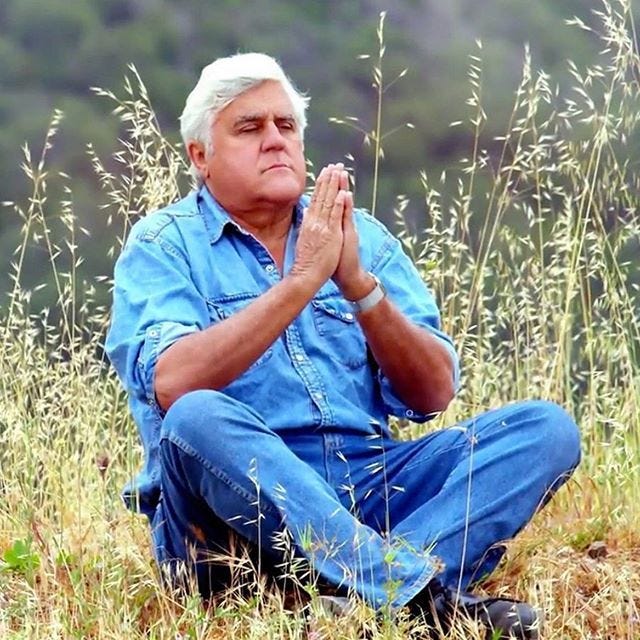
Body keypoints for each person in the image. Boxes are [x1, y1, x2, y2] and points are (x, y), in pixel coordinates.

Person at [106, 52, 580, 639]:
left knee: (544, 430)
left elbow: (433, 392)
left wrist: (357, 285)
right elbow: (174, 383)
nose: (275, 141)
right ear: (200, 157)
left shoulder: (363, 238)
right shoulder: (163, 244)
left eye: (287, 126)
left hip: (372, 484)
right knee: (197, 415)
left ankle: (359, 597)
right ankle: (419, 597)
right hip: (239, 523)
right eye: (250, 128)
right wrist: (302, 281)